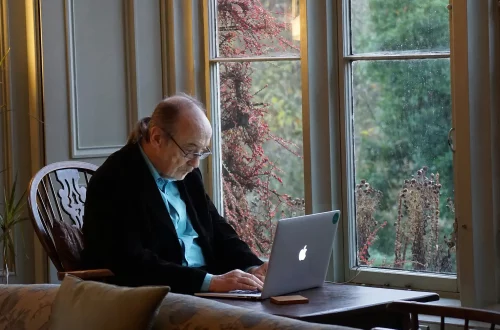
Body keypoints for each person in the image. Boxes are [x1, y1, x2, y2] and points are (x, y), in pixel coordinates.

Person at [81, 93, 268, 294]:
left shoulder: (187, 173)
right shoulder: (113, 180)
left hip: (210, 288)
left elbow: (216, 228)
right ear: (157, 138)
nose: (196, 163)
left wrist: (253, 266)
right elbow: (131, 262)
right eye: (189, 150)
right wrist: (209, 282)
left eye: (201, 152)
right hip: (162, 296)